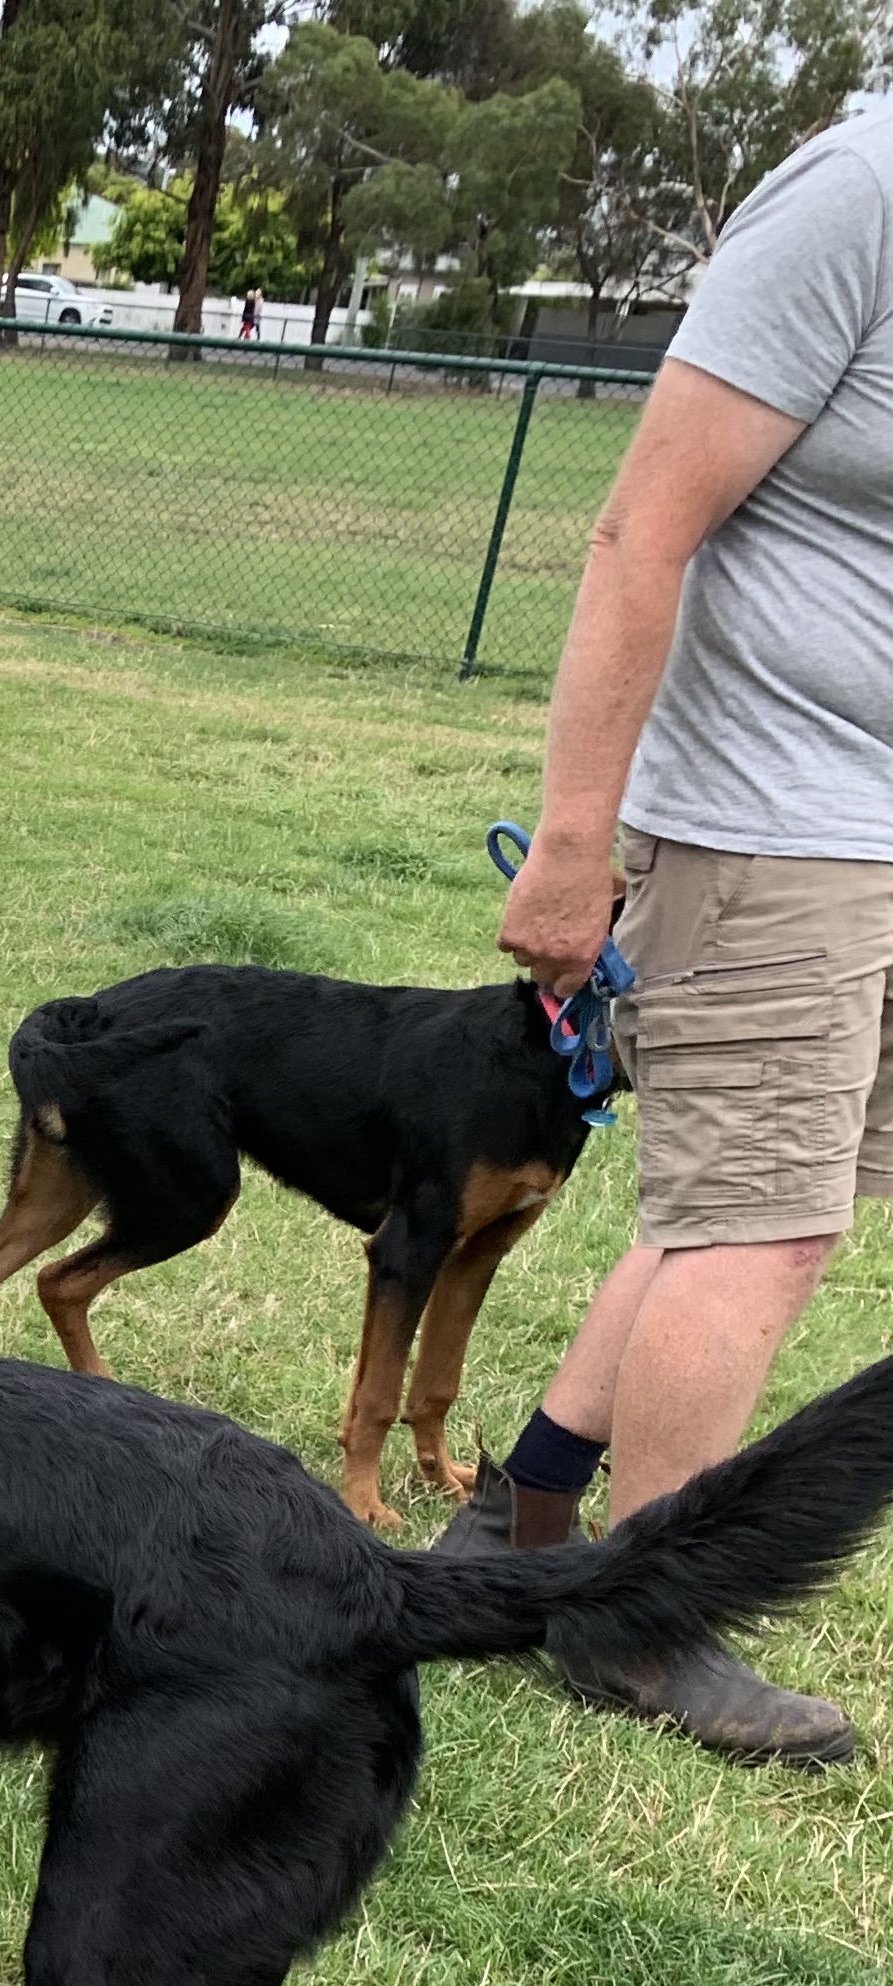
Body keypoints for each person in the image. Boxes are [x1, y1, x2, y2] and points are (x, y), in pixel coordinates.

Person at [467, 100, 893, 1766]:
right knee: (757, 1230)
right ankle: (644, 1628)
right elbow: (642, 528)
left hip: (870, 832)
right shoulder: (857, 192)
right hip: (767, 824)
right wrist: (574, 847)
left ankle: (529, 1525)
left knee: (743, 1206)